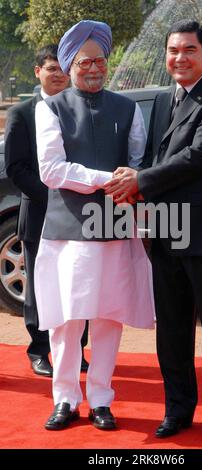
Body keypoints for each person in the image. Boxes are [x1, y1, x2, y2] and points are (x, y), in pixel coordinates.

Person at [104, 20, 202, 442]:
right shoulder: (166, 99)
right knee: (173, 329)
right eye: (172, 50)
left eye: (188, 50)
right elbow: (156, 155)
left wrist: (140, 181)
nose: (179, 58)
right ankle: (178, 409)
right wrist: (135, 177)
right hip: (166, 231)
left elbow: (197, 157)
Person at [34, 20, 155, 431]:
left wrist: (133, 179)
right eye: (84, 61)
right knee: (67, 321)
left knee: (108, 318)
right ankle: (65, 398)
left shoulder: (127, 107)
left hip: (115, 226)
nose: (93, 68)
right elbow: (51, 170)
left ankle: (102, 398)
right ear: (69, 65)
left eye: (100, 61)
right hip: (68, 232)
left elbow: (140, 162)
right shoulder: (49, 107)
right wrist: (108, 179)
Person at [4, 45, 89, 377]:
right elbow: (16, 168)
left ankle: (76, 352)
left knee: (78, 286)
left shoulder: (81, 108)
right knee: (41, 289)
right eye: (52, 68)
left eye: (64, 68)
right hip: (40, 213)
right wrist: (54, 196)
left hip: (80, 216)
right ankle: (40, 350)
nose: (60, 74)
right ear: (37, 71)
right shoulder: (23, 113)